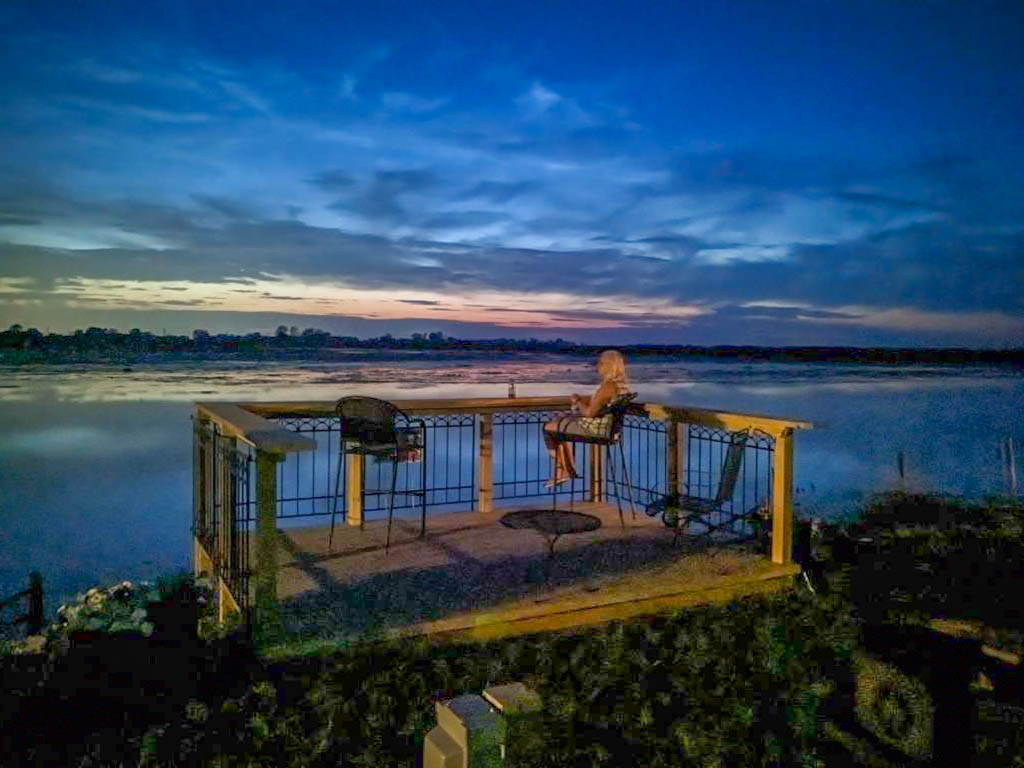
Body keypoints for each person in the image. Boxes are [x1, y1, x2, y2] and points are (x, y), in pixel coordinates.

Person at [543, 349, 631, 488]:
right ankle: (567, 470)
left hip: (597, 430)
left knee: (548, 428)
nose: (598, 366)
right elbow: (602, 404)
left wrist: (578, 402)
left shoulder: (608, 386)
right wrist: (583, 400)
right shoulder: (621, 384)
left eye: (600, 363)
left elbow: (589, 413)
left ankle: (563, 471)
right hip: (612, 430)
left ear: (608, 365)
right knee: (560, 424)